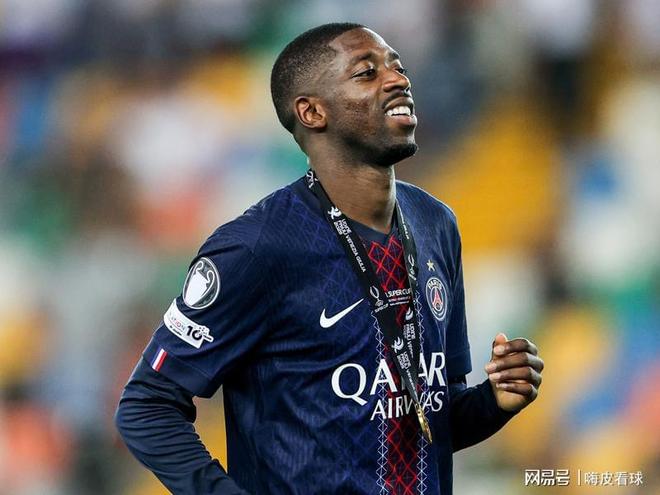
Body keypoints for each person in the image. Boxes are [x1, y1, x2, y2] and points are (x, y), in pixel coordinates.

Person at [115, 22, 544, 495]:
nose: (398, 80)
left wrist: (495, 401)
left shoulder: (435, 223)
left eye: (397, 67)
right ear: (313, 112)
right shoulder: (258, 247)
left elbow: (430, 423)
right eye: (366, 73)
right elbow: (146, 405)